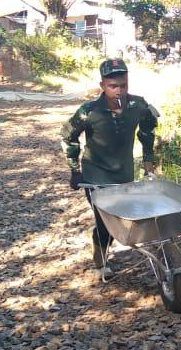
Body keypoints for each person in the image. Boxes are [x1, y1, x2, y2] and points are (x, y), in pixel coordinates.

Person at [62, 58, 160, 282]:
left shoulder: (138, 106)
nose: (119, 91)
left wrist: (148, 161)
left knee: (120, 220)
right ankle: (100, 261)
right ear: (102, 86)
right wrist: (74, 170)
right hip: (95, 175)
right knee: (104, 221)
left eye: (123, 85)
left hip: (124, 174)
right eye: (113, 86)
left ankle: (106, 247)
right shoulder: (89, 111)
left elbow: (147, 131)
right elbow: (69, 136)